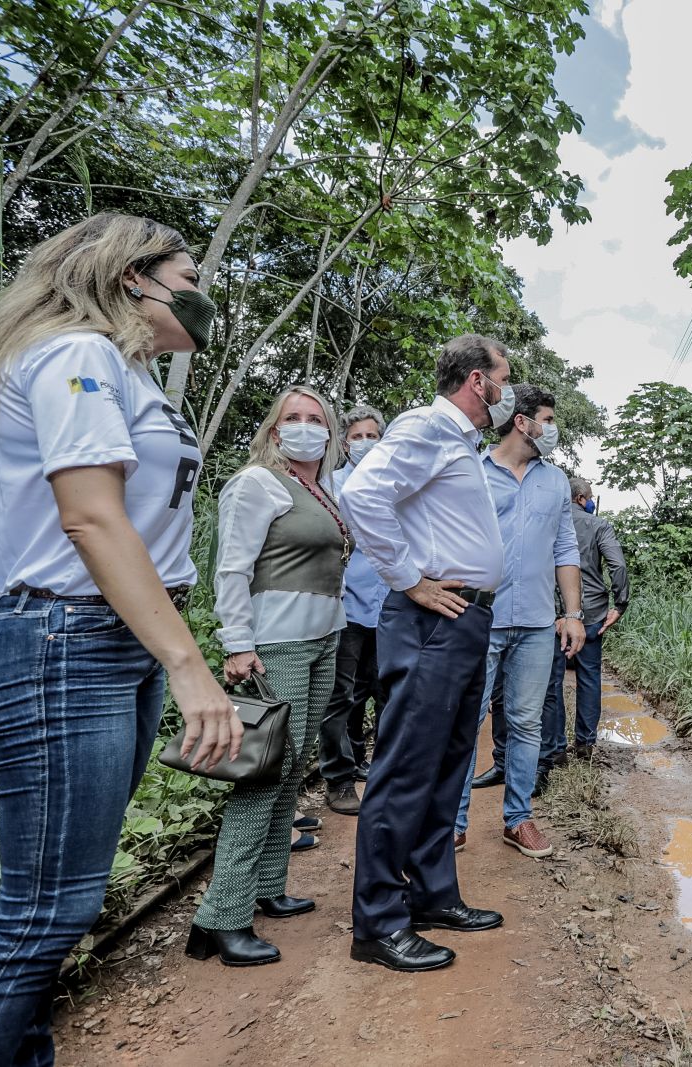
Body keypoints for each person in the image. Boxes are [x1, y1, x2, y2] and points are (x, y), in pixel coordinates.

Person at [0, 214, 241, 1064]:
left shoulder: (130, 374)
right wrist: (190, 666)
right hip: (62, 637)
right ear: (135, 277)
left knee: (58, 903)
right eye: (186, 276)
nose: (199, 295)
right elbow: (89, 517)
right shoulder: (75, 354)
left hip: (104, 645)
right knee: (46, 910)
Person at [339, 334, 513, 973]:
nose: (508, 390)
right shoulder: (428, 426)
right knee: (407, 765)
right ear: (477, 381)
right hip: (429, 616)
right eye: (504, 378)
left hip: (465, 616)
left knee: (449, 762)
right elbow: (362, 497)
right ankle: (379, 923)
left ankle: (433, 893)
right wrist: (408, 578)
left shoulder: (459, 443)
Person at [186, 384, 348, 966]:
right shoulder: (257, 483)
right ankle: (220, 918)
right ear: (275, 430)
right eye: (293, 418)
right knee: (262, 774)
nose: (306, 426)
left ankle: (266, 885)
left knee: (293, 764)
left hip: (322, 637)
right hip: (275, 642)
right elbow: (231, 566)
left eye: (316, 418)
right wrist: (237, 643)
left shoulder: (321, 490)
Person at [454, 384, 584, 860]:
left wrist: (572, 614)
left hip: (534, 622)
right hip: (477, 617)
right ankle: (453, 822)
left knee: (527, 723)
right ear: (522, 421)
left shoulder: (555, 481)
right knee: (465, 722)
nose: (552, 430)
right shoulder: (473, 469)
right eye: (547, 420)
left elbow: (564, 548)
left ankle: (518, 818)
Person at [319, 404, 390, 815]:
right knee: (340, 696)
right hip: (346, 606)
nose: (365, 442)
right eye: (357, 436)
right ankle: (341, 778)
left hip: (389, 607)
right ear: (344, 443)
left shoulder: (394, 484)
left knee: (387, 692)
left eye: (372, 435)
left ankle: (381, 768)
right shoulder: (330, 485)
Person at [540, 477, 629, 771]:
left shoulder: (547, 522)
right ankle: (585, 744)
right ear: (581, 499)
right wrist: (620, 604)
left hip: (553, 615)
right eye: (589, 497)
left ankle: (555, 749)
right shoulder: (599, 526)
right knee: (589, 677)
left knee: (553, 681)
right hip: (591, 613)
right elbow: (617, 565)